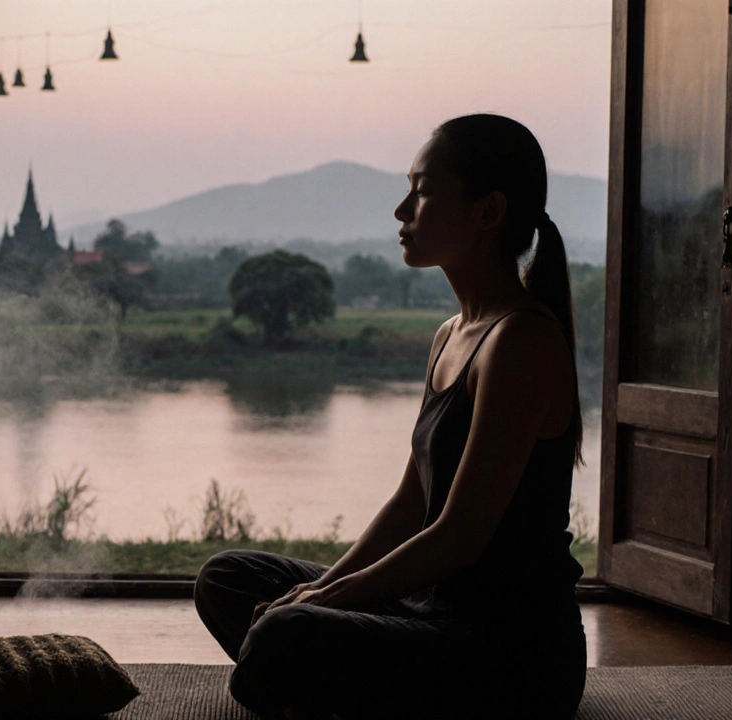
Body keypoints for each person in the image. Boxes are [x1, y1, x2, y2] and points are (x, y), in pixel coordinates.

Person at [194, 114, 587, 720]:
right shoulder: (451, 333)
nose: (402, 210)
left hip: (508, 652)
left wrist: (326, 598)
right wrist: (322, 592)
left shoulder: (521, 342)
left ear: (488, 212)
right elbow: (410, 504)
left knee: (283, 637)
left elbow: (459, 535)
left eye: (424, 191)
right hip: (428, 610)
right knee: (227, 578)